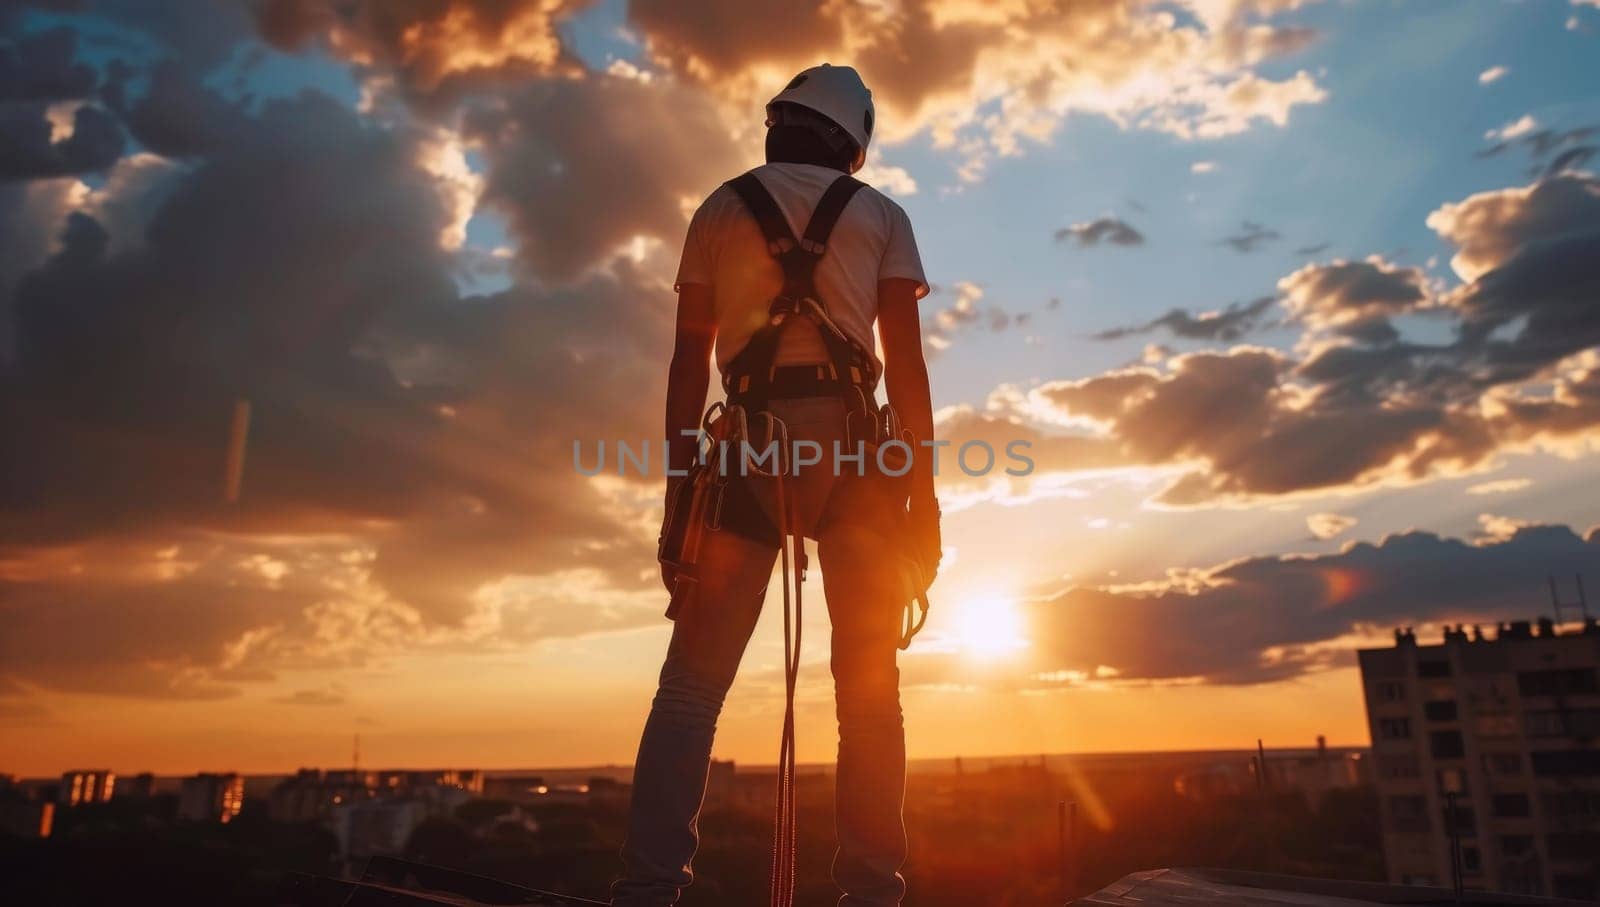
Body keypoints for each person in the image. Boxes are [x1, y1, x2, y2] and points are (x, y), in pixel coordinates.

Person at [611, 64, 941, 907]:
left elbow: (691, 357)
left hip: (746, 450)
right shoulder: (881, 216)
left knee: (690, 688)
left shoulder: (720, 209)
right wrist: (924, 494)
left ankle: (649, 892)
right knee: (870, 697)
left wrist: (683, 486)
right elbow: (904, 363)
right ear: (850, 143)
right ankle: (870, 894)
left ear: (781, 126)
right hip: (856, 458)